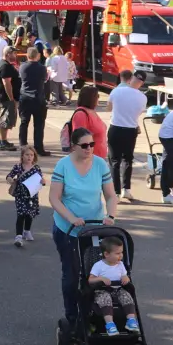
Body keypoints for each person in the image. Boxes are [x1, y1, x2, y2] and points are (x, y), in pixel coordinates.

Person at [48, 127, 118, 326]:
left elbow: (111, 195)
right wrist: (71, 218)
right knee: (71, 275)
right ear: (74, 146)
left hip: (93, 228)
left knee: (95, 273)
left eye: (92, 145)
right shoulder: (63, 165)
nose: (89, 149)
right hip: (67, 228)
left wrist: (110, 215)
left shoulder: (99, 164)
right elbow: (54, 197)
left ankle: (93, 313)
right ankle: (72, 316)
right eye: (85, 145)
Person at [106, 70, 147, 201]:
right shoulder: (142, 97)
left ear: (131, 79)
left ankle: (116, 192)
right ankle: (126, 189)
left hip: (116, 128)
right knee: (127, 160)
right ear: (141, 83)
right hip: (131, 130)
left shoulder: (116, 91)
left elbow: (108, 108)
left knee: (114, 161)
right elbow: (139, 112)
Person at [89, 236, 140, 335]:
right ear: (106, 254)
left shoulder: (120, 264)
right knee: (106, 298)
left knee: (127, 297)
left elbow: (124, 275)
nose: (121, 256)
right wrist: (101, 279)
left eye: (121, 252)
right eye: (117, 253)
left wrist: (125, 278)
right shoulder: (99, 265)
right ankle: (110, 324)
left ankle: (131, 321)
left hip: (118, 289)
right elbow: (90, 280)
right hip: (102, 290)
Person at [6, 145, 43, 247]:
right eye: (27, 154)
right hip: (20, 195)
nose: (29, 157)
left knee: (29, 214)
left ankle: (27, 231)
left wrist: (43, 182)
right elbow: (9, 176)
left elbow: (40, 179)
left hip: (32, 195)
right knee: (21, 214)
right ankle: (18, 236)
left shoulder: (36, 168)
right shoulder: (18, 167)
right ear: (22, 156)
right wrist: (10, 180)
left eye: (31, 155)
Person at [17, 45, 49, 155]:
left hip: (25, 97)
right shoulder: (42, 68)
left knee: (24, 122)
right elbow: (45, 79)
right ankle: (39, 147)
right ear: (38, 56)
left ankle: (23, 144)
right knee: (39, 125)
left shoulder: (22, 67)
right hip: (38, 98)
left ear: (27, 55)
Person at [70, 85, 108, 159]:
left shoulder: (91, 111)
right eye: (97, 96)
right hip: (89, 160)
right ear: (90, 98)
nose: (98, 98)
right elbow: (79, 139)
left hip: (98, 158)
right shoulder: (81, 114)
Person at [0, 50, 20, 151]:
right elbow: (6, 83)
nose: (15, 55)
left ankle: (3, 140)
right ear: (8, 54)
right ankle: (3, 142)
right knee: (5, 118)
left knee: (7, 118)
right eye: (14, 53)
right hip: (6, 97)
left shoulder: (4, 64)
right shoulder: (5, 66)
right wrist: (11, 98)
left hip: (4, 96)